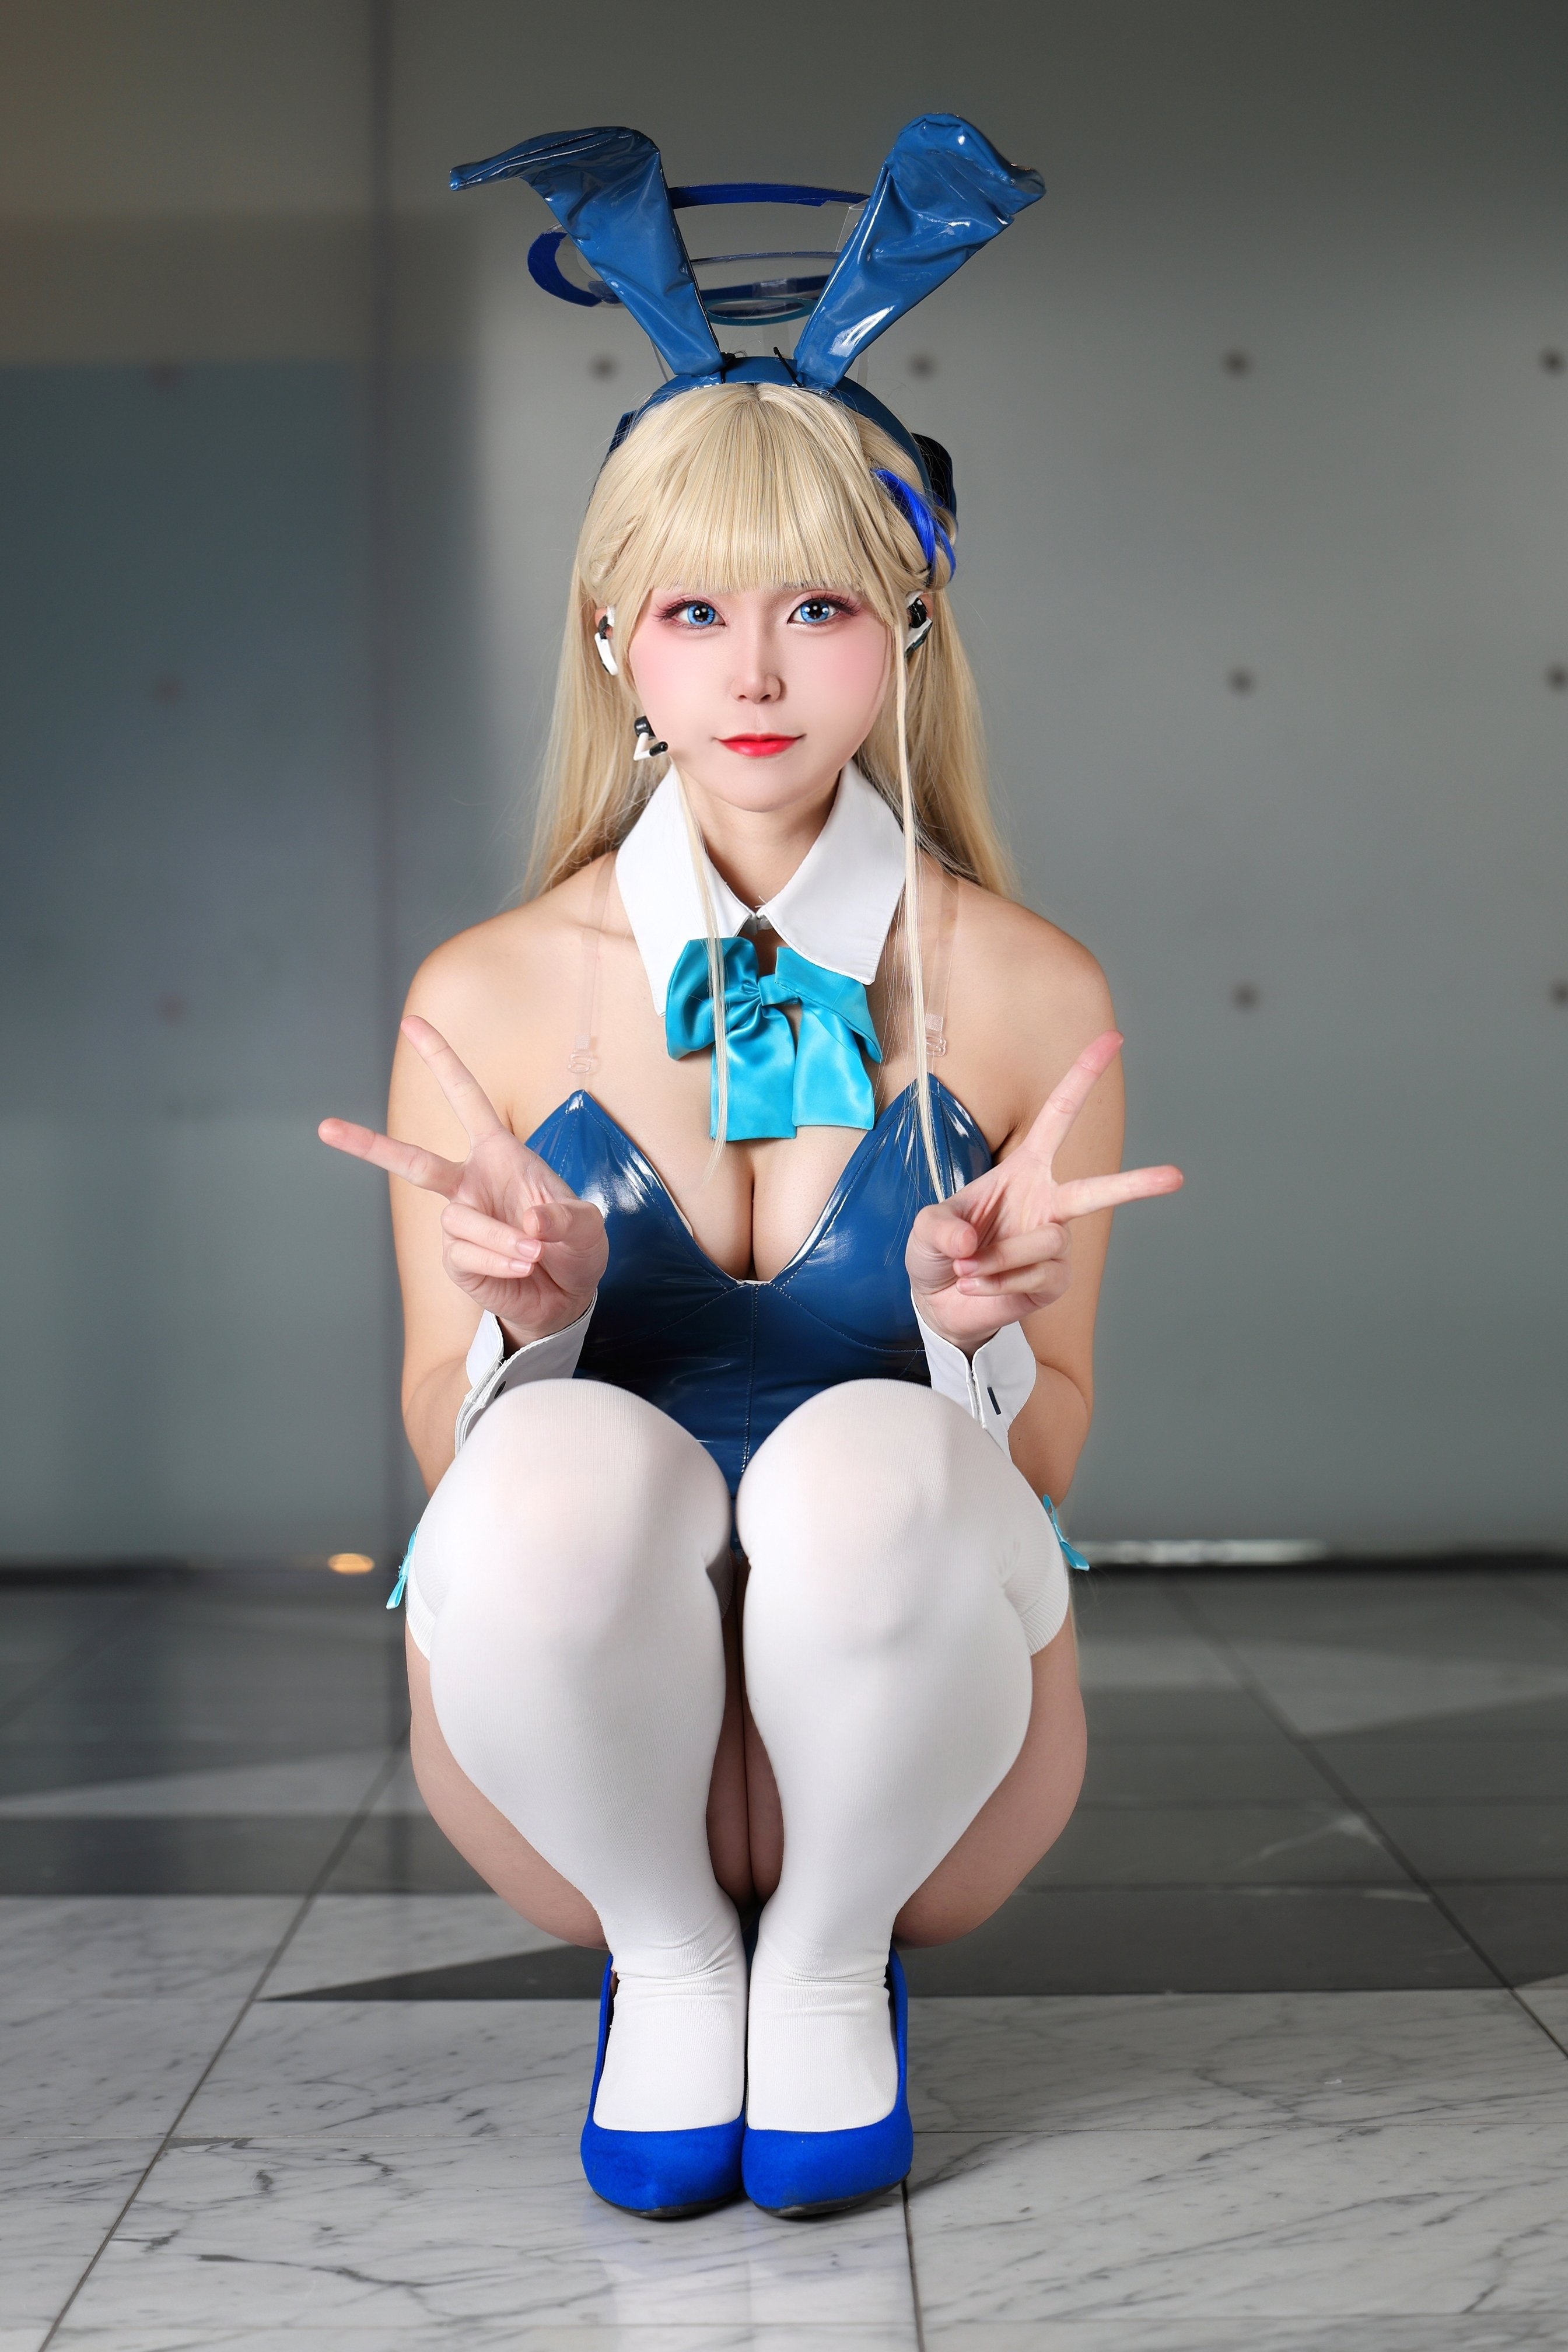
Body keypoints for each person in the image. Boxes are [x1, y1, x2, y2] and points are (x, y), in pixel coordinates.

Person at [319, 116, 1182, 2223]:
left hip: (928, 1771)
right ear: (614, 640)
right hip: (570, 1780)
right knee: (546, 1461)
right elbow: (442, 1449)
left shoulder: (1025, 989)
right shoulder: (487, 993)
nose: (761, 670)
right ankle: (674, 1965)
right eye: (697, 610)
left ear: (910, 625)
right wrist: (526, 1340)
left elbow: (1048, 1462)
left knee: (871, 1455)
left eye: (820, 605)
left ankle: (821, 1972)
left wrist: (972, 1346)